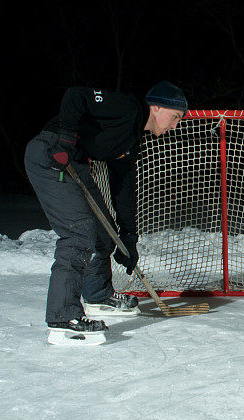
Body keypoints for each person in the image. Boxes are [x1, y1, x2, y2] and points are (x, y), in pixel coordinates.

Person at [24, 81, 188, 333]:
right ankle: (62, 316)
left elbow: (123, 189)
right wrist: (66, 140)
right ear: (156, 108)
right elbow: (75, 95)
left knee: (104, 232)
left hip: (75, 163)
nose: (174, 125)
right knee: (78, 233)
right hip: (52, 155)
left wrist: (128, 238)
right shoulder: (127, 108)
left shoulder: (131, 141)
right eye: (175, 117)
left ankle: (98, 296)